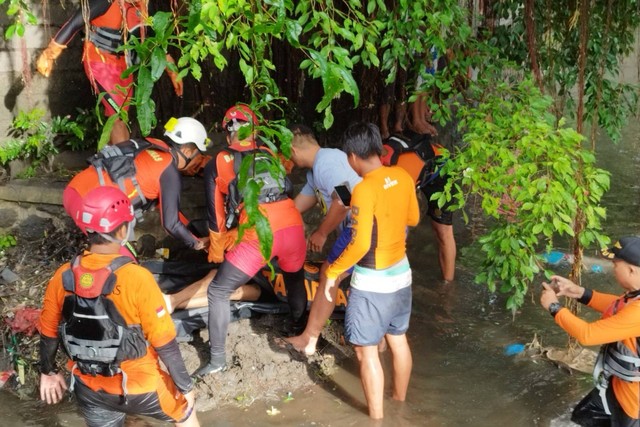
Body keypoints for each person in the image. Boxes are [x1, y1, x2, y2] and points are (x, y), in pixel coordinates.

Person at [38, 186, 199, 427]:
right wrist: (185, 387)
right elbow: (164, 341)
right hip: (141, 387)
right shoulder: (137, 278)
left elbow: (48, 332)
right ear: (123, 229)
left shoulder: (63, 276)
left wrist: (48, 372)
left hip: (89, 390)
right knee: (186, 414)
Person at [194, 104, 307, 376]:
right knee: (294, 278)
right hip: (292, 225)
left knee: (218, 291)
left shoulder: (220, 161)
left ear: (227, 131)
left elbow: (216, 215)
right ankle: (299, 329)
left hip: (259, 233)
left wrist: (218, 252)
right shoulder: (269, 153)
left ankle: (218, 360)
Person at [324, 122, 420, 419]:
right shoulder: (402, 176)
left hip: (373, 283)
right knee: (398, 340)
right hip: (402, 274)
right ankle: (398, 402)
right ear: (378, 148)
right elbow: (414, 219)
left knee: (366, 352)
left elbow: (360, 245)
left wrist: (332, 273)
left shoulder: (364, 189)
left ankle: (376, 419)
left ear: (353, 157)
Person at [35, 0, 183, 144]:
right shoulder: (105, 2)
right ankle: (124, 163)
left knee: (121, 116)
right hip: (100, 63)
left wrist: (172, 70)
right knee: (117, 115)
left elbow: (153, 38)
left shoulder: (142, 5)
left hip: (125, 65)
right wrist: (49, 53)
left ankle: (110, 160)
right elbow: (74, 23)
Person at [63, 117, 209, 257]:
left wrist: (193, 232)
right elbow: (171, 224)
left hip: (73, 192)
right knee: (124, 266)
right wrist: (197, 244)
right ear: (187, 151)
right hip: (90, 208)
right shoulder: (169, 172)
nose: (198, 161)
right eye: (198, 156)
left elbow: (169, 211)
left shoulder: (150, 146)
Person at [540, 236, 640, 427]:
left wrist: (553, 307)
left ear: (631, 270)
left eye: (615, 264)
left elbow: (588, 335)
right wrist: (578, 292)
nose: (612, 268)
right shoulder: (635, 296)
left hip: (633, 403)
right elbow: (617, 307)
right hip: (617, 386)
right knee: (583, 417)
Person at [282, 124, 361, 355]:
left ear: (293, 150)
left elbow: (344, 199)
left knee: (330, 274)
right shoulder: (315, 172)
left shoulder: (327, 163)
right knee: (334, 274)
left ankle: (309, 339)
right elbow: (295, 208)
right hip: (359, 230)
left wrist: (321, 232)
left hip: (362, 228)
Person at [380, 131, 456, 281]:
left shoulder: (401, 176)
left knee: (443, 231)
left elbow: (404, 222)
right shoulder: (373, 164)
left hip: (441, 171)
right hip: (419, 165)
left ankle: (448, 284)